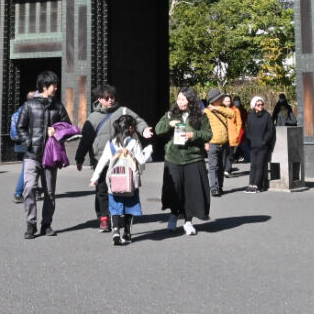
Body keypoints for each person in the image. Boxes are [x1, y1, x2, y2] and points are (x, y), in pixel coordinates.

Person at [75, 83, 153, 232]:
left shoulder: (123, 111)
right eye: (107, 98)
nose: (110, 100)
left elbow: (137, 120)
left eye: (112, 97)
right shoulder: (93, 118)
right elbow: (86, 140)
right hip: (101, 157)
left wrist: (143, 130)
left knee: (121, 187)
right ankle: (104, 218)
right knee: (102, 189)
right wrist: (79, 158)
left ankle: (116, 215)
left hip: (122, 158)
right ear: (99, 99)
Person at [16, 70, 71, 239]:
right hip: (32, 155)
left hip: (50, 155)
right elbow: (20, 127)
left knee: (50, 192)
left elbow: (68, 127)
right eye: (54, 85)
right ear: (45, 86)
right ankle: (30, 224)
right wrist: (29, 143)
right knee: (29, 188)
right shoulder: (29, 105)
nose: (56, 88)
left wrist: (57, 131)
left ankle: (46, 224)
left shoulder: (58, 106)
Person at [155, 87, 212, 235]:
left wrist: (193, 134)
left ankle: (188, 221)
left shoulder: (201, 116)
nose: (180, 102)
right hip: (173, 157)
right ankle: (173, 215)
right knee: (174, 190)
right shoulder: (170, 114)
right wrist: (169, 124)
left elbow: (208, 134)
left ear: (191, 100)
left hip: (194, 158)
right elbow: (158, 130)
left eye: (183, 99)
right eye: (178, 99)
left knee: (191, 192)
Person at [89, 114, 151, 246]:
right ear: (131, 128)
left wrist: (94, 178)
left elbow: (102, 162)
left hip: (114, 182)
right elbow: (141, 160)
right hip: (130, 182)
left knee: (115, 207)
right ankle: (127, 233)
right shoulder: (133, 143)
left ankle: (116, 232)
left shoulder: (111, 144)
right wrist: (149, 150)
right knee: (130, 207)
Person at [203, 89, 238, 197]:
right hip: (212, 143)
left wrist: (217, 108)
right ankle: (213, 188)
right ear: (214, 100)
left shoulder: (223, 108)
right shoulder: (206, 112)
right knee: (213, 166)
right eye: (220, 98)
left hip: (224, 142)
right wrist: (205, 143)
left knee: (221, 166)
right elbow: (203, 128)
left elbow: (232, 114)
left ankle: (220, 187)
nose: (222, 98)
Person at [243, 95, 276, 193]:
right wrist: (249, 140)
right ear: (254, 106)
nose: (261, 106)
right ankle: (251, 184)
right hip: (253, 145)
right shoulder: (250, 116)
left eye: (262, 104)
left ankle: (256, 185)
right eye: (258, 105)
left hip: (263, 146)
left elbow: (270, 130)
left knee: (260, 165)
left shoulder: (267, 116)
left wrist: (264, 141)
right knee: (253, 165)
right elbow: (247, 130)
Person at [11, 91, 35, 203]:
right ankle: (18, 192)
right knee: (27, 167)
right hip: (29, 142)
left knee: (30, 166)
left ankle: (36, 190)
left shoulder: (19, 110)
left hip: (19, 142)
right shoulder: (30, 110)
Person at [231, 95, 250, 165]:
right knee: (236, 145)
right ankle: (235, 157)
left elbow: (246, 118)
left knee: (240, 144)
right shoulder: (231, 109)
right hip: (234, 130)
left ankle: (237, 157)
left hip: (241, 130)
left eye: (237, 101)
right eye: (235, 101)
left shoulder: (242, 109)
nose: (237, 103)